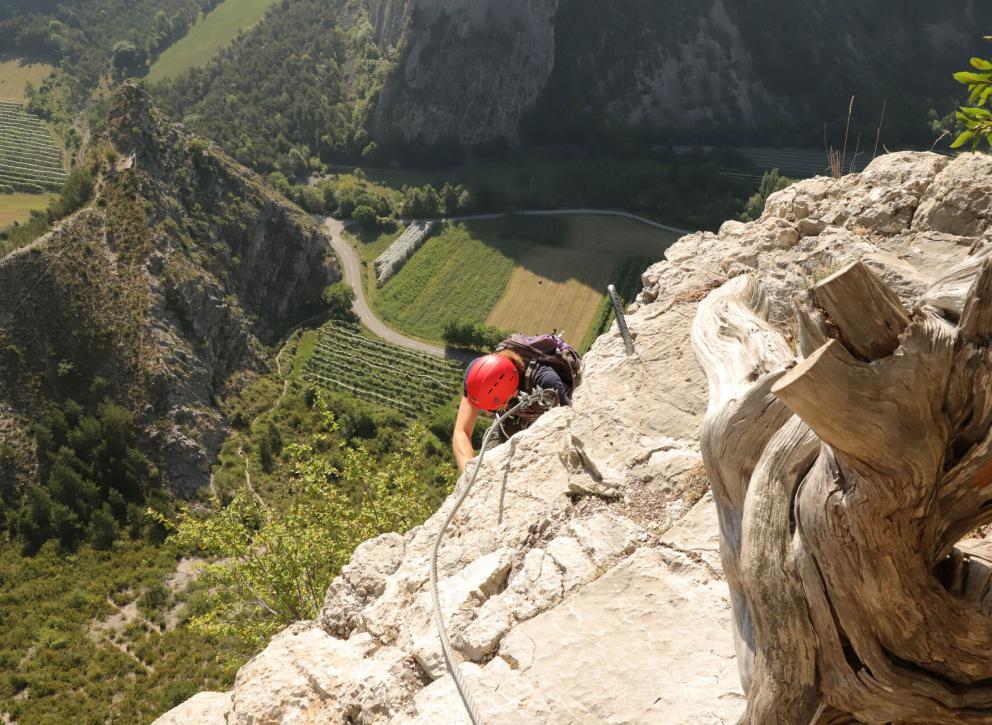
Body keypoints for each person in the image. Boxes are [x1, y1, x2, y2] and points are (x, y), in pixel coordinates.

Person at [452, 345, 575, 473]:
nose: (487, 413)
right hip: (511, 422)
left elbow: (570, 427)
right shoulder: (477, 378)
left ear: (514, 393)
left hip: (546, 423)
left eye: (493, 408)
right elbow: (461, 432)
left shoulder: (545, 381)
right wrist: (469, 475)